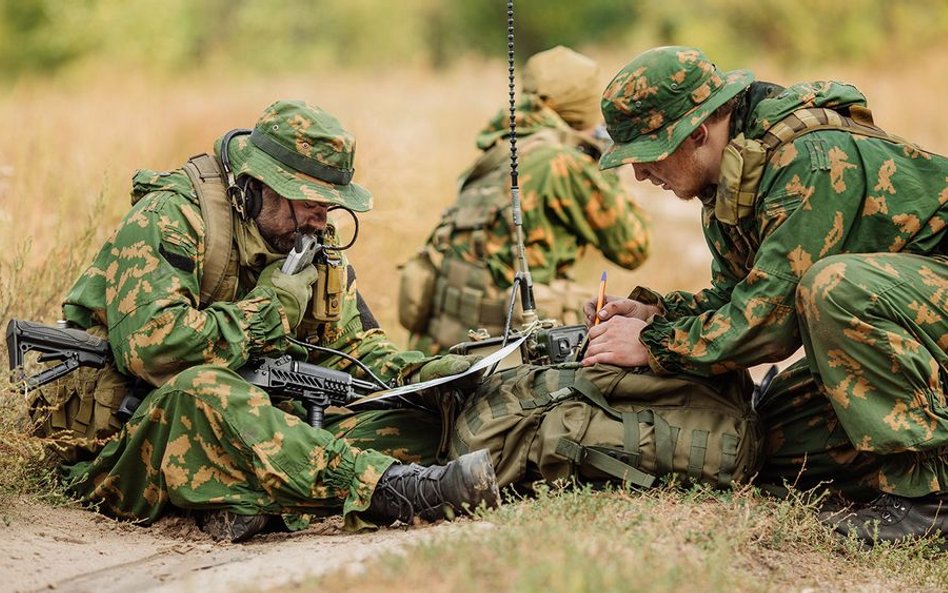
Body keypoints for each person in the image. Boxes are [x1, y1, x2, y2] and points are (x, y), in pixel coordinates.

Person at [30, 99, 499, 543]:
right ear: (260, 186)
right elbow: (152, 348)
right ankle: (392, 491)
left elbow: (350, 348)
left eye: (330, 205)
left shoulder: (309, 242)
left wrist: (424, 376)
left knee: (413, 424)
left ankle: (252, 496)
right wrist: (270, 312)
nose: (321, 220)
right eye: (310, 203)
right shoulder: (173, 216)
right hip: (123, 450)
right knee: (204, 391)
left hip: (257, 425)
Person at [586, 46, 948, 546]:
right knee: (770, 439)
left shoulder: (810, 161)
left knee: (833, 287)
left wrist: (654, 344)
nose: (640, 175)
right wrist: (656, 312)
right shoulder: (732, 180)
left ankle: (929, 502)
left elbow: (769, 322)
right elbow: (738, 296)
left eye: (647, 156)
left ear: (696, 135)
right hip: (921, 328)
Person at [400, 45, 650, 354]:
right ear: (583, 105)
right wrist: (606, 161)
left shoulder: (500, 149)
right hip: (504, 354)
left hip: (446, 345)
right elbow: (633, 247)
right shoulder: (560, 162)